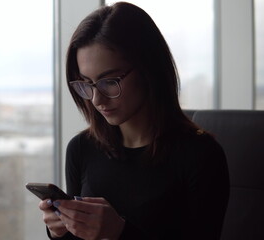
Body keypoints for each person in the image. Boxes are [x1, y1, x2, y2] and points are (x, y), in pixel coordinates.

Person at [38, 2, 230, 240]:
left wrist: (119, 232)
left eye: (110, 81)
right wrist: (60, 231)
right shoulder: (81, 148)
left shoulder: (201, 156)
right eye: (86, 84)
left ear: (149, 70)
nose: (97, 99)